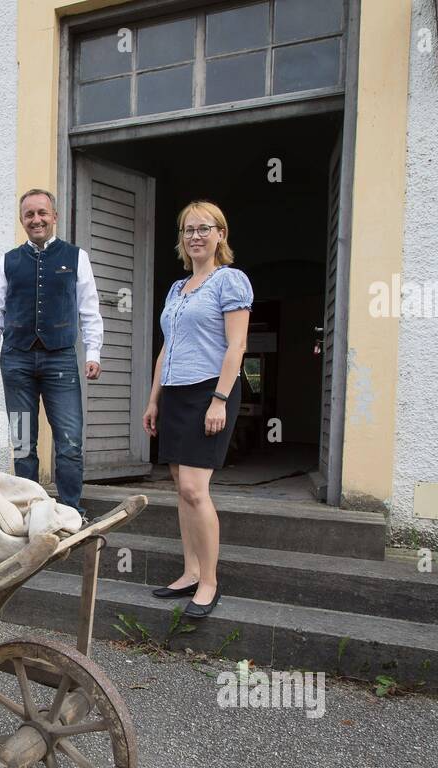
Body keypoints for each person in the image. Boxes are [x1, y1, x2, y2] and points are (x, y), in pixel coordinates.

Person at [142, 200, 252, 619]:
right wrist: (154, 399)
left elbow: (237, 346)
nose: (195, 237)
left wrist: (219, 400)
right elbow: (167, 348)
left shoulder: (230, 281)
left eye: (204, 228)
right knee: (178, 485)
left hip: (210, 391)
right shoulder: (176, 289)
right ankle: (189, 572)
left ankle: (209, 581)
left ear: (220, 234)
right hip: (175, 393)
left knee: (194, 489)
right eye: (188, 230)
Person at [0, 188, 102, 517]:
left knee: (70, 443)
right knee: (23, 444)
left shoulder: (76, 257)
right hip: (16, 358)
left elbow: (89, 307)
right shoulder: (8, 260)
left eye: (42, 213)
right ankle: (29, 511)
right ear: (22, 220)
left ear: (54, 217)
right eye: (30, 215)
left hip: (60, 356)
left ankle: (70, 511)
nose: (37, 219)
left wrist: (93, 351)